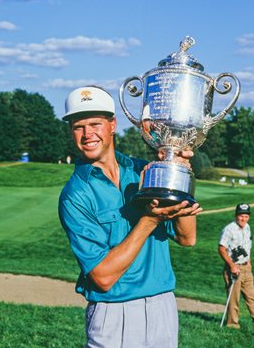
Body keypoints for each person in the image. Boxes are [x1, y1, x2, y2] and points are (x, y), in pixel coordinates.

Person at [58, 86, 202, 348]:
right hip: (113, 313)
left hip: (162, 306)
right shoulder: (74, 195)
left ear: (112, 125)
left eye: (95, 124)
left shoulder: (142, 171)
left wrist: (179, 173)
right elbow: (102, 278)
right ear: (71, 132)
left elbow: (187, 237)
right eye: (78, 126)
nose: (87, 134)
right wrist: (149, 220)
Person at [218, 203, 254, 332]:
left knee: (252, 297)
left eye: (246, 216)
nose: (243, 219)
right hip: (233, 269)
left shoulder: (247, 227)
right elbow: (221, 248)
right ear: (236, 215)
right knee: (234, 299)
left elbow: (248, 247)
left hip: (246, 268)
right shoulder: (229, 229)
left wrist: (249, 262)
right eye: (241, 216)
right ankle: (233, 326)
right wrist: (232, 266)